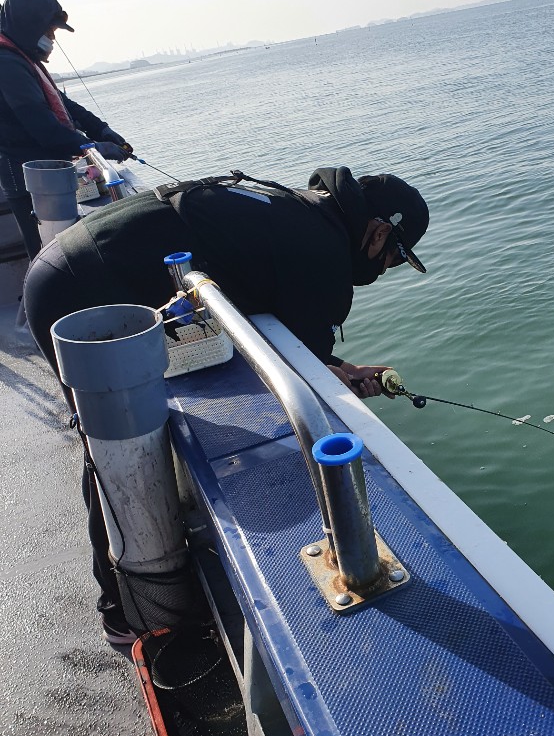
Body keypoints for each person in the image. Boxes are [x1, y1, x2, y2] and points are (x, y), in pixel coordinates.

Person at [24, 165, 430, 643]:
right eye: (395, 258)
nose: (385, 269)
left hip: (68, 261)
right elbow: (302, 370)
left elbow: (296, 344)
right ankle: (129, 613)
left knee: (121, 441)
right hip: (80, 290)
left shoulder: (300, 212)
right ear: (379, 233)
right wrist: (333, 375)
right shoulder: (325, 254)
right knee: (113, 446)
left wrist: (342, 369)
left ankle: (146, 592)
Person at [0, 0, 132, 259]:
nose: (52, 39)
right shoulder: (7, 63)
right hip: (27, 179)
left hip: (47, 173)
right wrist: (94, 148)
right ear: (30, 27)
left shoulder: (24, 58)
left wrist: (101, 130)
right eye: (49, 31)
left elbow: (65, 104)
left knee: (59, 248)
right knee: (45, 254)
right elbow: (43, 127)